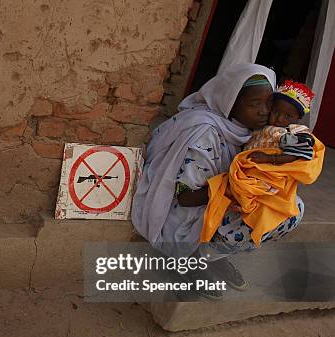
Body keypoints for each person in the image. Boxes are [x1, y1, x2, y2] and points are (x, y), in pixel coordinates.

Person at [131, 63, 304, 300]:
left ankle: (213, 256)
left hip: (215, 203)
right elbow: (186, 197)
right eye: (254, 104)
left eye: (269, 103)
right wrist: (237, 190)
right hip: (179, 216)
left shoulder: (249, 131)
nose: (265, 111)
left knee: (291, 205)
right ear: (229, 102)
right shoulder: (205, 131)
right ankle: (189, 259)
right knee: (273, 209)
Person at [200, 81, 324, 248]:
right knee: (237, 194)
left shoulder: (291, 133)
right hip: (248, 170)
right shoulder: (262, 127)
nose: (279, 119)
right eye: (276, 112)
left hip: (267, 175)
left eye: (287, 116)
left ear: (297, 119)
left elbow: (297, 155)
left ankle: (224, 241)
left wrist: (269, 159)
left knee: (257, 202)